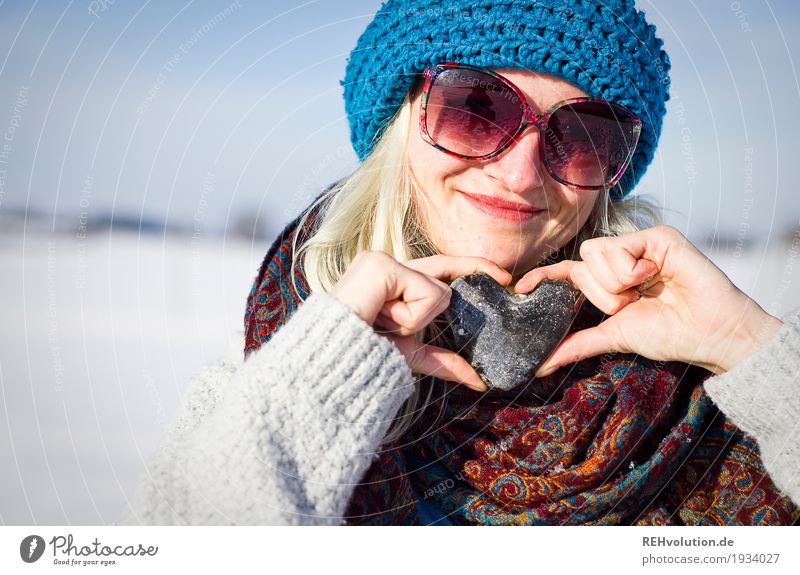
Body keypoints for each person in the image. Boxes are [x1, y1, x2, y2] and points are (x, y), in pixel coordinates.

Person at [120, 0, 800, 526]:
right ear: (399, 120)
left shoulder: (695, 381)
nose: (519, 171)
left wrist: (746, 345)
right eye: (477, 107)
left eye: (584, 134)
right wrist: (318, 383)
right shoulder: (283, 350)